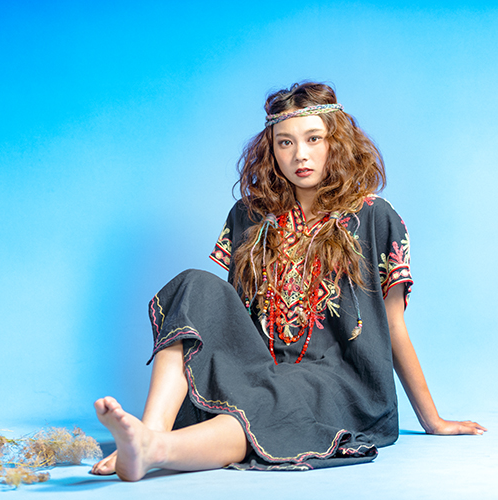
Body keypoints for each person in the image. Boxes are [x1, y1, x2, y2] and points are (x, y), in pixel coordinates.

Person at [90, 82, 486, 482]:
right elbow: (228, 317)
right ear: (271, 150)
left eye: (314, 138)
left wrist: (432, 419)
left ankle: (153, 450)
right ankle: (150, 431)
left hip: (340, 381)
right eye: (285, 142)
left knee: (274, 401)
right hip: (260, 370)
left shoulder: (375, 216)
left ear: (337, 142)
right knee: (193, 284)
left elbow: (393, 326)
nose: (300, 155)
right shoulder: (248, 216)